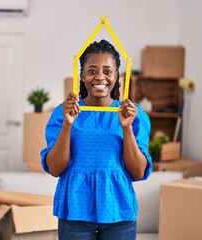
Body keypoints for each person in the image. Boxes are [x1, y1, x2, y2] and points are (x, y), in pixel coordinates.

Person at [41, 39, 152, 240]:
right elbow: (55, 168)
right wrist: (68, 124)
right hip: (75, 210)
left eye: (107, 71)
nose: (100, 77)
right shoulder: (63, 113)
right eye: (92, 71)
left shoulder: (134, 116)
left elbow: (138, 171)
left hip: (119, 210)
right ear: (82, 75)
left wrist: (126, 128)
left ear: (116, 75)